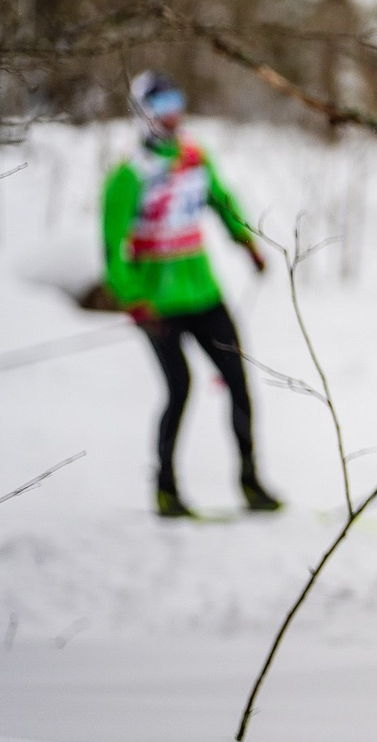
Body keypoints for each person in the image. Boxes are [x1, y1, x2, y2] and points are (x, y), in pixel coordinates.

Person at [102, 71, 281, 518]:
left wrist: (247, 245)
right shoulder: (127, 173)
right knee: (180, 389)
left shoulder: (194, 156)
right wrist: (133, 300)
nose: (171, 114)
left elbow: (222, 202)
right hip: (157, 303)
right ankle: (166, 490)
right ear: (143, 113)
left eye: (176, 102)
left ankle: (251, 482)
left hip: (203, 293)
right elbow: (111, 246)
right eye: (160, 106)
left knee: (239, 384)